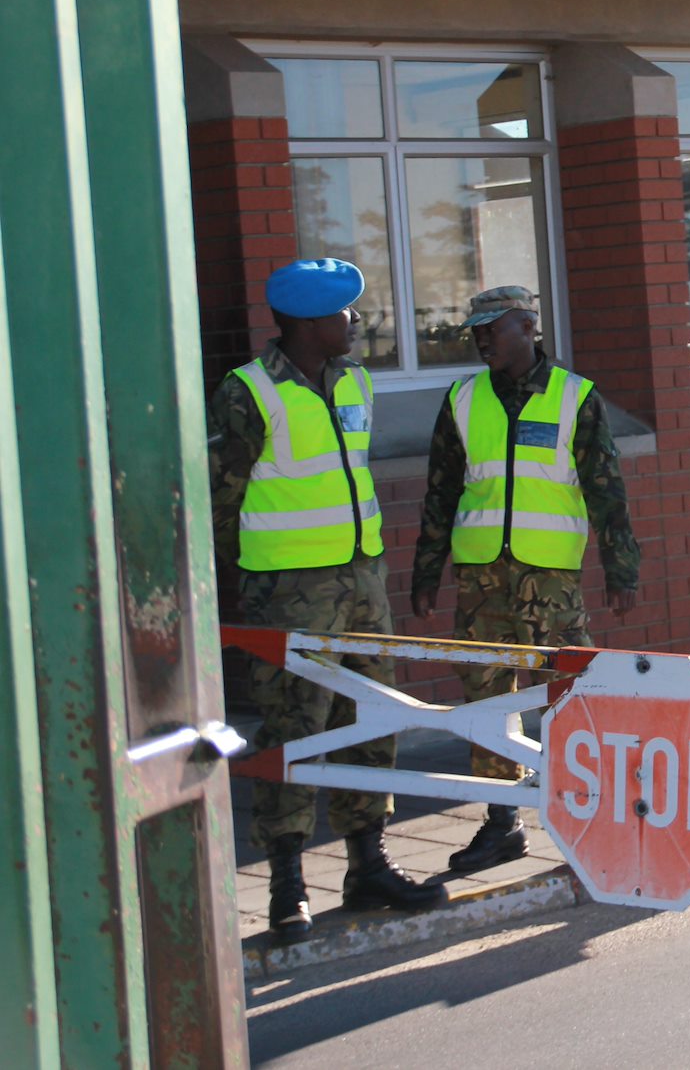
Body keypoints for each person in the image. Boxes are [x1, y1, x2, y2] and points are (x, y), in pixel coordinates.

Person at [210, 258, 446, 939]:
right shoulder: (247, 392)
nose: (355, 323)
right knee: (294, 728)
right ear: (311, 322)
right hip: (289, 588)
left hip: (361, 577)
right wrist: (250, 581)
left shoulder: (355, 382)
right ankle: (287, 880)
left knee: (371, 716)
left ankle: (367, 861)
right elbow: (223, 496)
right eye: (345, 313)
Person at [410, 286, 640, 871]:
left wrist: (621, 570)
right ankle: (501, 820)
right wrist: (426, 571)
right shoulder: (463, 398)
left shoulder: (574, 396)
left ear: (528, 326)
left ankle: (597, 810)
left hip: (552, 580)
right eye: (476, 331)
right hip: (482, 578)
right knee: (486, 698)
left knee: (574, 695)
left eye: (494, 328)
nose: (482, 339)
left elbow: (606, 492)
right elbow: (440, 493)